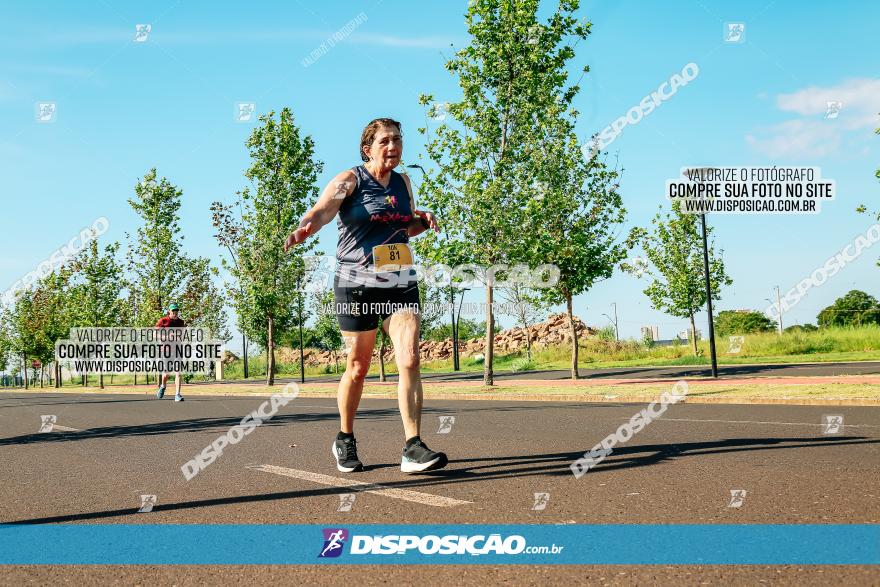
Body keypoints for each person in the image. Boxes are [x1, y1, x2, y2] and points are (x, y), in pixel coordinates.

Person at [285, 117, 447, 474]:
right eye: (385, 141)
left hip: (398, 278)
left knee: (409, 359)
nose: (393, 147)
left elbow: (404, 227)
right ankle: (345, 437)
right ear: (367, 148)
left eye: (398, 140)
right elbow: (324, 210)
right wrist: (306, 227)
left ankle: (413, 447)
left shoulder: (404, 182)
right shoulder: (349, 180)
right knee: (358, 367)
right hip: (355, 282)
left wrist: (424, 221)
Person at [155, 302, 186, 402]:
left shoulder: (181, 322)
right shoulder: (163, 321)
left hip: (177, 350)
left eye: (176, 311)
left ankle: (177, 394)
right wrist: (168, 337)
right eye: (173, 311)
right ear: (169, 311)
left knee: (178, 373)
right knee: (166, 374)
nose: (175, 313)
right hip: (166, 350)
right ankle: (163, 386)